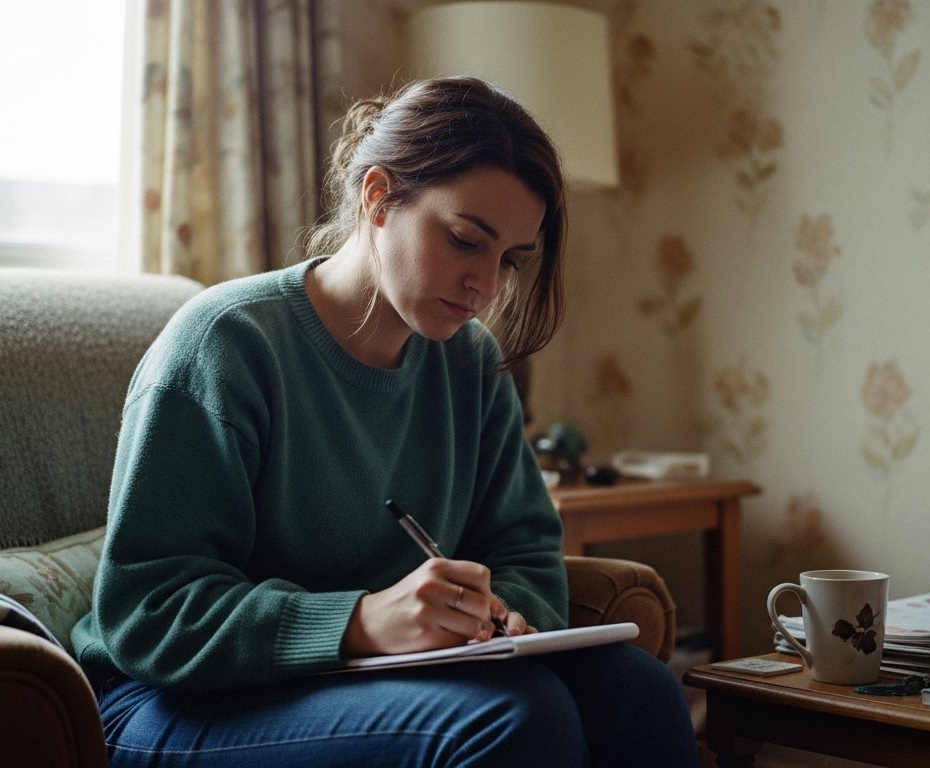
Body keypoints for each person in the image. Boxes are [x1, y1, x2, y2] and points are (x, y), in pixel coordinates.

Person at [71, 76, 699, 767]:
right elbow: (151, 610)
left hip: (374, 682)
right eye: (465, 240)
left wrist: (501, 617)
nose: (486, 285)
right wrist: (361, 622)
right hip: (174, 699)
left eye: (509, 260)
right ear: (377, 197)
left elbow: (525, 559)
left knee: (641, 692)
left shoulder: (470, 363)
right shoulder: (225, 346)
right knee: (518, 719)